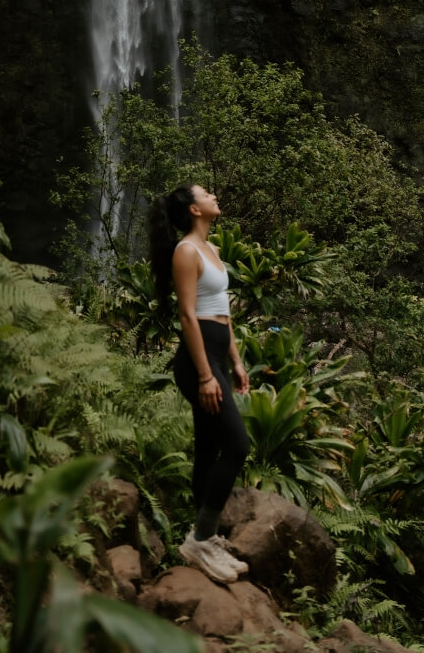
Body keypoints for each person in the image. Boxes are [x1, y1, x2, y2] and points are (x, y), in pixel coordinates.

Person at [149, 182, 251, 585]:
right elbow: (189, 316)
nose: (214, 196)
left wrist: (236, 362)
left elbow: (222, 315)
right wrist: (207, 374)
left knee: (208, 448)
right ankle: (202, 537)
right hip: (197, 362)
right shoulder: (186, 251)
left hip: (216, 352)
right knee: (237, 445)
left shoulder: (213, 251)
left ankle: (202, 537)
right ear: (193, 209)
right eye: (206, 193)